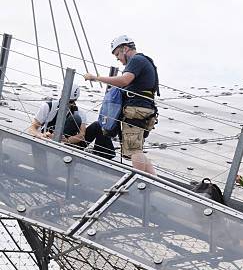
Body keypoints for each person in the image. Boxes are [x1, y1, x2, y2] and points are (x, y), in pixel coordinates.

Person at [84, 35, 158, 175]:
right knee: (136, 148)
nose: (118, 58)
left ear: (125, 48)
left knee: (134, 150)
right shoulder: (144, 60)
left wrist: (96, 78)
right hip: (145, 108)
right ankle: (152, 180)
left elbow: (124, 80)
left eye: (118, 54)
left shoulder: (136, 60)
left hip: (136, 108)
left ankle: (138, 180)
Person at [27, 84, 86, 148]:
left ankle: (58, 138)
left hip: (65, 144)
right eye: (65, 100)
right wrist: (41, 135)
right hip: (45, 140)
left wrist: (67, 140)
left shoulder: (80, 113)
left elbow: (81, 135)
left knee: (76, 118)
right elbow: (32, 128)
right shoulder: (48, 106)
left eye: (71, 101)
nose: (68, 103)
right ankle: (54, 138)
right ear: (61, 95)